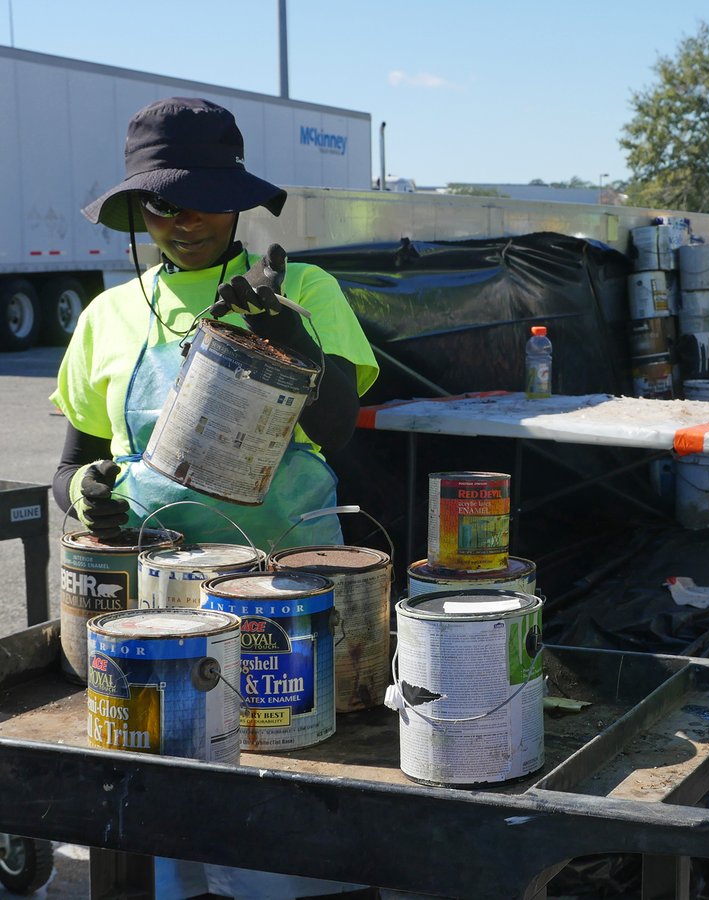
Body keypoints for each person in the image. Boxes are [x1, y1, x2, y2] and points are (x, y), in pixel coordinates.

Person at [52, 97, 380, 900]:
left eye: (205, 198)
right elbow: (72, 467)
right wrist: (87, 498)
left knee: (287, 832)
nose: (182, 220)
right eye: (161, 203)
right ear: (137, 209)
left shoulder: (304, 289)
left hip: (287, 606)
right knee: (179, 829)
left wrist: (295, 343)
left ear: (237, 202)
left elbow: (339, 429)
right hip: (158, 617)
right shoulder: (107, 318)